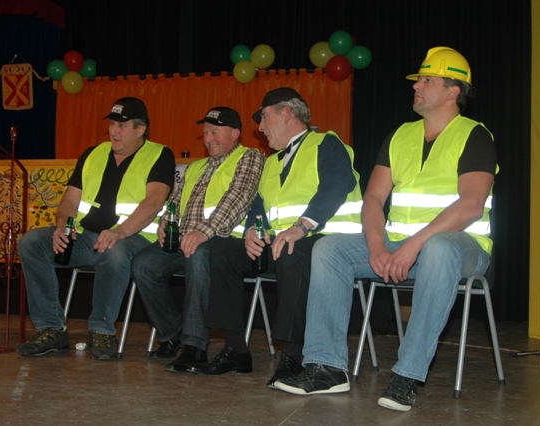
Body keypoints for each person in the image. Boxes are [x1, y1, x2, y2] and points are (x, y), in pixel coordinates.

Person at [273, 47, 498, 412]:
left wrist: (412, 246)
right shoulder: (400, 136)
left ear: (453, 90)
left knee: (439, 247)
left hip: (463, 249)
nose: (416, 86)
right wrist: (377, 246)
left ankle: (408, 374)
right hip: (401, 245)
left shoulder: (474, 135)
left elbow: (471, 204)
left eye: (427, 80)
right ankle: (327, 367)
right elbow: (374, 198)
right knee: (329, 248)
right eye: (418, 80)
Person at [188, 87, 363, 388]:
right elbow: (258, 205)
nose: (260, 127)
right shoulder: (271, 162)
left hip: (326, 242)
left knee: (292, 251)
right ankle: (235, 350)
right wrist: (252, 231)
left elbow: (336, 185)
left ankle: (292, 356)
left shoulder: (327, 143)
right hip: (281, 242)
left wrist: (302, 226)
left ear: (287, 113)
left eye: (265, 117)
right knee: (222, 251)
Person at [17, 97, 175, 360]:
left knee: (112, 249)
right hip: (86, 236)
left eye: (122, 125)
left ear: (140, 129)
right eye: (112, 124)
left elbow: (154, 201)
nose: (114, 131)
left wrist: (120, 231)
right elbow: (69, 200)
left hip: (134, 239)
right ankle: (50, 329)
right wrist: (62, 227)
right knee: (31, 243)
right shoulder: (93, 153)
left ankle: (102, 332)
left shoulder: (160, 155)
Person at [131, 106, 264, 373]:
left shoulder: (249, 157)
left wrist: (204, 231)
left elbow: (237, 198)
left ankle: (194, 346)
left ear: (235, 134)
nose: (208, 138)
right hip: (186, 239)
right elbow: (175, 202)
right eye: (205, 132)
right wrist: (166, 221)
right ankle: (173, 333)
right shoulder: (196, 167)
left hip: (224, 241)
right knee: (143, 264)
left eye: (215, 132)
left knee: (198, 253)